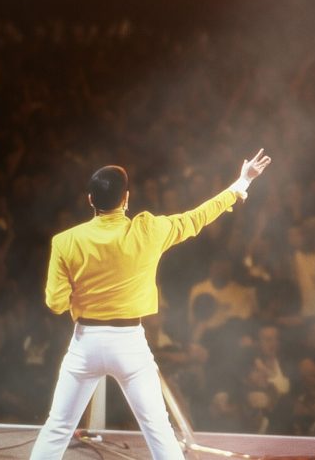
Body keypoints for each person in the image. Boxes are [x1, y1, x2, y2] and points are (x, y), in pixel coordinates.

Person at [28, 150, 274, 460]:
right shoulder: (148, 231)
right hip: (129, 343)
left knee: (58, 427)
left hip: (85, 343)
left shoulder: (66, 241)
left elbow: (55, 303)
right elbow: (197, 217)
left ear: (90, 200)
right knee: (157, 428)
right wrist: (240, 184)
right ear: (126, 199)